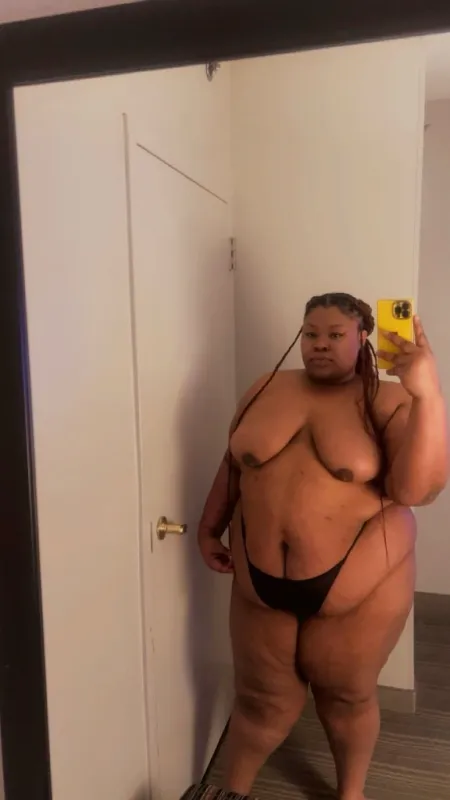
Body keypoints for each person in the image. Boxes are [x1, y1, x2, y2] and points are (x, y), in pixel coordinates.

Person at [197, 292, 449, 800]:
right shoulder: (266, 387)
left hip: (360, 587)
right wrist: (209, 527)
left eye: (335, 335)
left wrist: (427, 396)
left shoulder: (387, 400)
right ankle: (230, 792)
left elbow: (416, 491)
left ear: (363, 338)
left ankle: (350, 794)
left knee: (347, 697)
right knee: (260, 699)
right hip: (258, 582)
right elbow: (233, 464)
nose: (320, 344)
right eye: (311, 334)